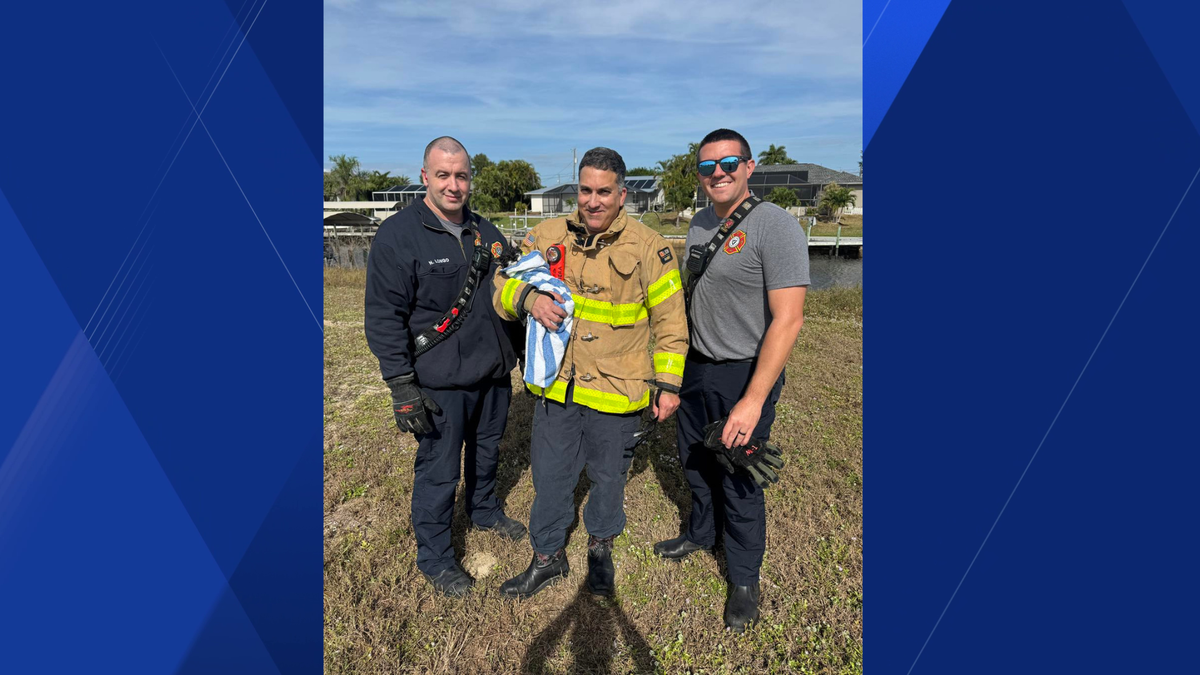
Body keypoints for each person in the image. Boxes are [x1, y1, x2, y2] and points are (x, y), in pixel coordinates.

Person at [492, 147, 689, 599]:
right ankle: (547, 558)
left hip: (618, 392)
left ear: (623, 195)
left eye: (604, 192)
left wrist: (670, 385)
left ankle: (600, 548)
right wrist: (527, 300)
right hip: (558, 388)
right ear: (576, 191)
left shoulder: (649, 248)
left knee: (607, 479)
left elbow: (672, 325)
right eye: (585, 190)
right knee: (551, 476)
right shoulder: (546, 234)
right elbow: (500, 287)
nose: (593, 201)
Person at [653, 129, 809, 632]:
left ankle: (743, 578)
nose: (717, 173)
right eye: (706, 167)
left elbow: (788, 320)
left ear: (749, 166)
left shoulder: (775, 226)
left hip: (745, 371)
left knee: (739, 474)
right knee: (694, 458)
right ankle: (701, 533)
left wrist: (753, 401)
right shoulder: (698, 223)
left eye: (728, 163)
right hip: (695, 365)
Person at [364, 136, 526, 598]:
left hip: (493, 375)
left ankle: (484, 509)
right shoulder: (398, 235)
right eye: (443, 175)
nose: (453, 186)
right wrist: (401, 387)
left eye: (461, 176)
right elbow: (383, 316)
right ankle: (434, 555)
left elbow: (511, 294)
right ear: (425, 177)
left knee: (487, 452)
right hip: (439, 382)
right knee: (439, 470)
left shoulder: (487, 233)